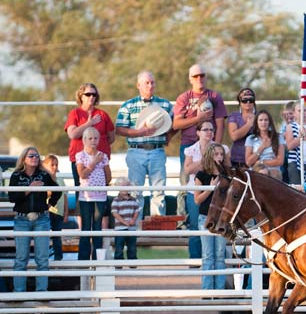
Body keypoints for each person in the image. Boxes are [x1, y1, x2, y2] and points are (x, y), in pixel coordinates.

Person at [173, 64, 228, 220]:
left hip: (209, 144)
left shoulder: (215, 97)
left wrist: (215, 147)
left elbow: (220, 124)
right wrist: (198, 119)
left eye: (202, 75)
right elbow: (176, 124)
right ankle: (186, 216)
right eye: (195, 76)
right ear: (190, 79)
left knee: (211, 179)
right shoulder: (184, 98)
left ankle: (211, 215)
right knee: (187, 182)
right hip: (189, 144)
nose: (199, 79)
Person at [116, 70, 174, 217]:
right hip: (136, 150)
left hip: (157, 150)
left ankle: (157, 228)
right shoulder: (128, 105)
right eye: (146, 83)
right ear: (138, 85)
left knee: (158, 191)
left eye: (152, 82)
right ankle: (136, 226)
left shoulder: (165, 104)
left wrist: (169, 137)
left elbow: (174, 124)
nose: (150, 86)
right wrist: (140, 132)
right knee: (136, 191)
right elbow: (119, 129)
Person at [8, 147, 61, 292]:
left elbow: (57, 190)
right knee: (21, 258)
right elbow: (12, 197)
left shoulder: (44, 175)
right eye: (31, 156)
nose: (34, 158)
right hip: (22, 220)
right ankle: (19, 292)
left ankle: (41, 292)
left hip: (41, 219)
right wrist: (29, 188)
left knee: (42, 258)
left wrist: (49, 205)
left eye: (37, 156)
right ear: (24, 158)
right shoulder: (16, 176)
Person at [183, 120, 230, 258]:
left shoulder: (222, 149)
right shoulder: (191, 149)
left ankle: (212, 259)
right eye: (205, 129)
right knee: (195, 224)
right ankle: (196, 258)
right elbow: (187, 169)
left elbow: (227, 168)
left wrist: (215, 158)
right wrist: (207, 159)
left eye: (211, 129)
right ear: (198, 132)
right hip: (195, 190)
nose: (209, 132)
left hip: (218, 192)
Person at [64, 83, 115, 203]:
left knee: (102, 190)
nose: (91, 97)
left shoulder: (103, 114)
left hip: (101, 158)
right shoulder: (75, 113)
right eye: (88, 94)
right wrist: (89, 123)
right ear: (81, 96)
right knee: (81, 192)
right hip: (80, 160)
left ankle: (100, 221)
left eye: (94, 94)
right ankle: (83, 220)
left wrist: (99, 147)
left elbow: (111, 137)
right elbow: (72, 134)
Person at [195, 143, 229, 290]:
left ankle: (220, 291)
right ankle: (207, 291)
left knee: (220, 255)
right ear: (210, 156)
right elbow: (197, 200)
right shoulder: (201, 175)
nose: (219, 157)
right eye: (216, 154)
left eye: (221, 154)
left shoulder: (227, 175)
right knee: (208, 255)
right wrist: (211, 187)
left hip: (221, 218)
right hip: (205, 217)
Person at [76, 127, 112, 260]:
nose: (93, 141)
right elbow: (82, 174)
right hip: (86, 197)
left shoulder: (103, 156)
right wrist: (94, 163)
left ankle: (98, 259)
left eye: (95, 138)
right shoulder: (80, 156)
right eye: (90, 138)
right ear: (84, 140)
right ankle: (83, 260)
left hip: (100, 197)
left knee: (97, 227)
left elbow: (108, 177)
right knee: (86, 228)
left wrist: (102, 180)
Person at [41, 154, 69, 261]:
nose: (54, 167)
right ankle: (45, 256)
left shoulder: (60, 180)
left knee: (57, 235)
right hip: (48, 211)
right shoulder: (44, 180)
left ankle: (58, 257)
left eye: (56, 165)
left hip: (59, 212)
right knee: (45, 235)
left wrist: (66, 212)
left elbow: (65, 196)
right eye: (52, 165)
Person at [285, 102, 306, 184]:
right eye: (299, 111)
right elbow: (289, 146)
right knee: (296, 189)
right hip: (295, 162)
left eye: (305, 110)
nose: (303, 113)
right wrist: (303, 136)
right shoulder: (291, 127)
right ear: (294, 113)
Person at [245, 110, 285, 180]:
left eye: (266, 120)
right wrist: (262, 147)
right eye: (260, 120)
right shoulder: (250, 139)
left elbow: (280, 161)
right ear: (257, 123)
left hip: (273, 171)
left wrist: (262, 162)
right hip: (256, 170)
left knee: (268, 174)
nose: (263, 122)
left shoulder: (278, 137)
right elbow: (248, 162)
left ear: (269, 122)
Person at [110, 177, 140, 262]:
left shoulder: (133, 200)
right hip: (120, 228)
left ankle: (132, 262)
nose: (125, 188)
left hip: (131, 227)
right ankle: (118, 263)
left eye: (127, 185)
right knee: (119, 246)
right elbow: (115, 213)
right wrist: (124, 222)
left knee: (132, 246)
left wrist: (133, 220)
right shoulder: (116, 200)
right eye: (122, 186)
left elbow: (136, 211)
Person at [227, 88, 256, 168]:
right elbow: (234, 136)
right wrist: (249, 124)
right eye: (244, 100)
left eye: (251, 99)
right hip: (237, 159)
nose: (248, 102)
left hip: (256, 159)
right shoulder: (234, 116)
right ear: (239, 101)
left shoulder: (260, 116)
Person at [279, 101, 296, 183]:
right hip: (284, 152)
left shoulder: (296, 124)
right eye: (285, 114)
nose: (288, 116)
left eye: (290, 113)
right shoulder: (284, 124)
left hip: (293, 153)